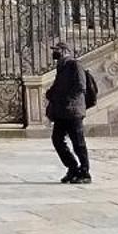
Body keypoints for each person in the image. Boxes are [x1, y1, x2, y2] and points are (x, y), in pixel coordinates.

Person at [46, 42, 91, 184]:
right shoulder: (61, 67)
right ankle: (72, 168)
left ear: (65, 51)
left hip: (73, 111)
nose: (54, 53)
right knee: (57, 140)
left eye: (57, 50)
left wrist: (66, 99)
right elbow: (57, 87)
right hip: (61, 112)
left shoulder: (74, 65)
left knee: (78, 143)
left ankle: (85, 172)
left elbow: (81, 86)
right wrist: (51, 94)